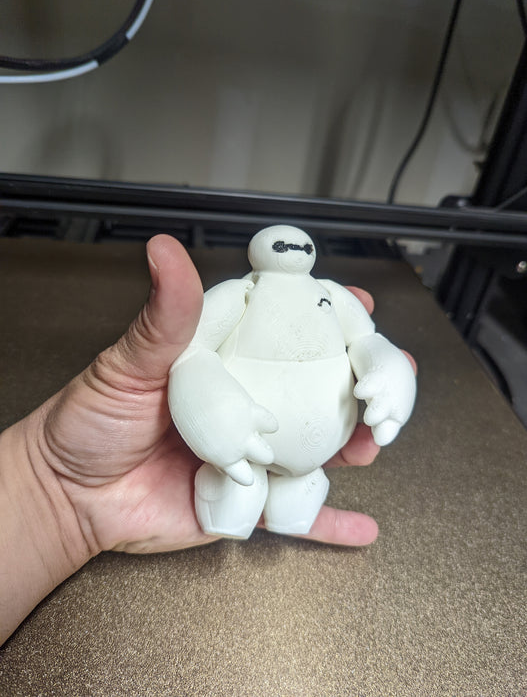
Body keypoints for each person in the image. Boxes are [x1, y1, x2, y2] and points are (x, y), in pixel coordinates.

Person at [0, 234, 416, 645]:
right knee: (235, 490)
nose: (293, 250)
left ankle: (297, 490)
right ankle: (232, 498)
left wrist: (389, 374)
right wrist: (212, 414)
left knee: (295, 497)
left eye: (301, 246)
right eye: (282, 245)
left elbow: (368, 340)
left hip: (320, 447)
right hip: (235, 451)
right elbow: (195, 352)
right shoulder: (241, 293)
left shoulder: (331, 295)